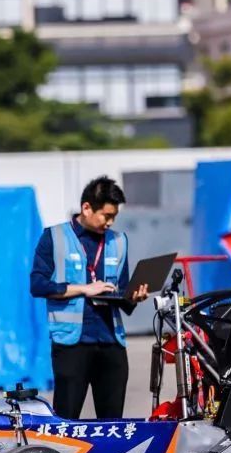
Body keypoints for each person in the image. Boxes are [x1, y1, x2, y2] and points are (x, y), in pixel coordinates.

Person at [30, 176, 149, 419]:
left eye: (114, 216)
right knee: (66, 420)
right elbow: (38, 285)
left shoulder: (119, 241)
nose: (110, 222)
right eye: (106, 215)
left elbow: (122, 293)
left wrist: (134, 297)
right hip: (72, 344)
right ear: (86, 208)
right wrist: (84, 289)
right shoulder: (54, 237)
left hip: (112, 344)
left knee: (113, 423)